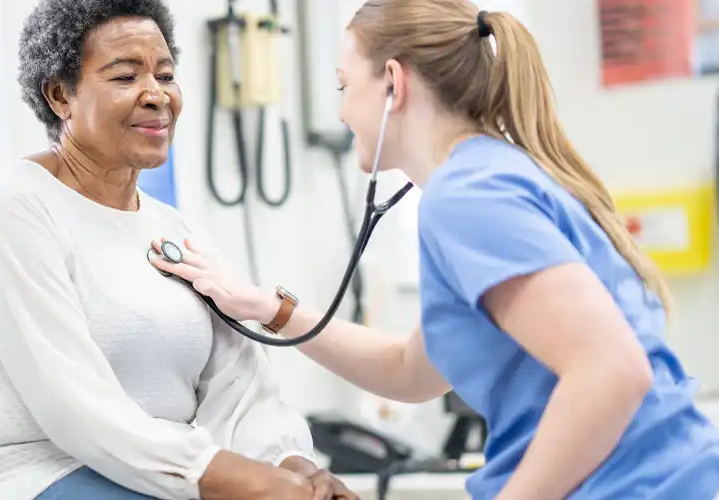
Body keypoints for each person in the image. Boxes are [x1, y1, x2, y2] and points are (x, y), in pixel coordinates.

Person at [151, 1, 719, 499]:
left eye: (345, 86)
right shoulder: (489, 176)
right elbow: (412, 372)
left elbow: (613, 370)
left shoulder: (468, 197)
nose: (344, 110)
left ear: (393, 83)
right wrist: (271, 310)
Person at [0, 1, 358, 499]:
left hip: (154, 475)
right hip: (27, 474)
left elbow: (240, 389)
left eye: (165, 75)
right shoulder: (15, 212)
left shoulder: (172, 229)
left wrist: (291, 466)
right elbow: (77, 408)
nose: (156, 95)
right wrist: (240, 481)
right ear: (61, 95)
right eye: (125, 77)